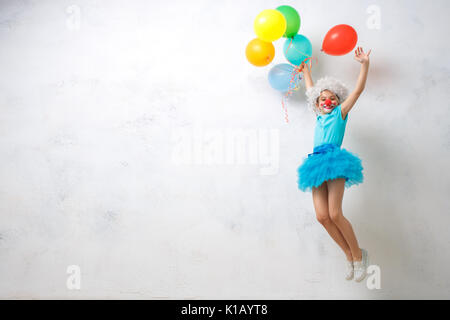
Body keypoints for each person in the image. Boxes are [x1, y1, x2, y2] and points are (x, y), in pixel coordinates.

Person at [297, 47, 371, 282]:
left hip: (335, 161)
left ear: (337, 101)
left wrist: (364, 65)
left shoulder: (340, 112)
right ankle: (349, 255)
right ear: (318, 104)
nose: (327, 101)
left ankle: (358, 256)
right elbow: (310, 92)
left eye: (332, 98)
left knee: (335, 213)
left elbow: (358, 91)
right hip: (316, 162)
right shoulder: (318, 115)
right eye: (322, 99)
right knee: (322, 216)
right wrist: (306, 72)